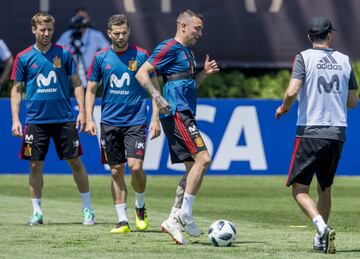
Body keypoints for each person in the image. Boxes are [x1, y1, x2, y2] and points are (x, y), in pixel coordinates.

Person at [136, 9, 219, 244]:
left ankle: (173, 217)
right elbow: (142, 73)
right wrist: (158, 97)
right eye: (197, 28)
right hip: (176, 113)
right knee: (203, 160)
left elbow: (188, 85)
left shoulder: (188, 53)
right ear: (183, 26)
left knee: (191, 167)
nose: (200, 34)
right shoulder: (169, 47)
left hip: (185, 112)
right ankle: (185, 214)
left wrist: (204, 74)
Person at [275, 16, 358, 254]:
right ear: (330, 35)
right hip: (337, 132)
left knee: (299, 190)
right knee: (325, 188)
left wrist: (284, 108)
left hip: (311, 131)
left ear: (310, 36)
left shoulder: (304, 57)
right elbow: (352, 102)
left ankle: (321, 227)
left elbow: (292, 91)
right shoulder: (344, 61)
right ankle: (320, 239)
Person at [10, 12, 95, 226]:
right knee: (35, 165)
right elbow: (17, 89)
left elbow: (77, 83)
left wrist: (83, 112)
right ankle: (37, 212)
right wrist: (15, 119)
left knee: (76, 162)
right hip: (35, 121)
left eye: (49, 30)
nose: (46, 33)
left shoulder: (64, 54)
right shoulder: (24, 57)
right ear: (34, 30)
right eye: (42, 30)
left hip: (64, 119)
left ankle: (88, 209)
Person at [85, 14, 161, 234]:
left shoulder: (141, 55)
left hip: (136, 120)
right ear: (109, 33)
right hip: (109, 122)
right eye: (116, 33)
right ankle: (122, 220)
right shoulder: (100, 58)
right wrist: (89, 117)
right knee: (116, 171)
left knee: (135, 167)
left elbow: (154, 88)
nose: (120, 37)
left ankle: (140, 205)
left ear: (129, 32)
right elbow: (91, 89)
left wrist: (155, 118)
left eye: (124, 33)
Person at [57, 7, 109, 86]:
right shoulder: (67, 35)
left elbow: (108, 51)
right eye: (78, 18)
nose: (80, 21)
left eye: (83, 18)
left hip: (89, 74)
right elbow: (56, 52)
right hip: (70, 75)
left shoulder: (96, 35)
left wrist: (99, 69)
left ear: (88, 19)